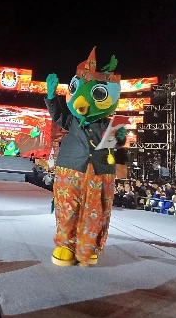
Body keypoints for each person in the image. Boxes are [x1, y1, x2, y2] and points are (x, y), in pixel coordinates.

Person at [45, 48, 126, 267]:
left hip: (100, 172)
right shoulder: (72, 120)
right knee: (68, 207)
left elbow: (115, 146)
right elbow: (58, 116)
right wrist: (52, 97)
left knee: (96, 211)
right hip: (70, 167)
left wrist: (119, 137)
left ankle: (88, 247)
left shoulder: (109, 124)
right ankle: (66, 245)